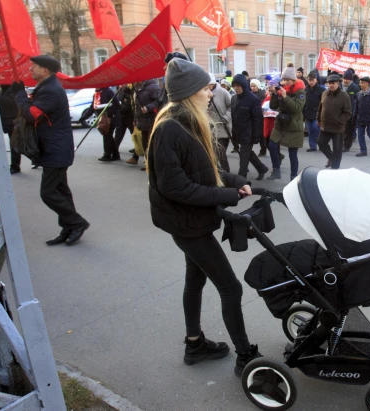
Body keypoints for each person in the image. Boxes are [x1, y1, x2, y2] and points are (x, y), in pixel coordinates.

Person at [147, 58, 261, 374]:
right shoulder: (170, 127)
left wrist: (237, 180)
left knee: (195, 278)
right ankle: (245, 357)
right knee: (231, 287)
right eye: (206, 88)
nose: (210, 93)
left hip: (190, 219)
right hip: (187, 223)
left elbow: (206, 169)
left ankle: (194, 343)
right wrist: (227, 195)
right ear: (189, 92)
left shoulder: (189, 121)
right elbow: (176, 187)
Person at [13, 55, 89, 245]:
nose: (31, 70)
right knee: (61, 191)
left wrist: (20, 96)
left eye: (34, 67)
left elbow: (32, 115)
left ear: (45, 70)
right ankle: (68, 228)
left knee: (47, 193)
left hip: (56, 150)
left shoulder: (50, 90)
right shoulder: (48, 87)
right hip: (55, 149)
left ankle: (77, 223)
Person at [267, 65, 306, 180]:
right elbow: (273, 107)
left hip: (294, 125)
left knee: (292, 153)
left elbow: (297, 108)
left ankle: (293, 176)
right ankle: (276, 170)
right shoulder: (281, 90)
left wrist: (285, 97)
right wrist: (273, 94)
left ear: (293, 80)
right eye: (283, 79)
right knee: (272, 145)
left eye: (287, 80)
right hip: (281, 123)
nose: (284, 82)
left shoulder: (300, 92)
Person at [231, 74, 269, 180]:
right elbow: (234, 118)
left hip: (249, 133)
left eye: (238, 86)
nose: (235, 88)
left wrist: (257, 135)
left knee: (243, 156)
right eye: (234, 85)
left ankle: (241, 179)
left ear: (243, 85)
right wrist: (233, 133)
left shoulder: (253, 99)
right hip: (238, 132)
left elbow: (258, 119)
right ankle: (262, 168)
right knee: (248, 153)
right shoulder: (234, 99)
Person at [316, 74, 352, 169]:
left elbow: (348, 113)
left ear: (338, 84)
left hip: (337, 128)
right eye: (329, 83)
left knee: (337, 150)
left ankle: (335, 169)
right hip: (325, 126)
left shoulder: (344, 96)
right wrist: (318, 119)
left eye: (333, 83)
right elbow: (320, 108)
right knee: (321, 143)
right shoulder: (324, 93)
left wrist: (340, 121)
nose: (331, 85)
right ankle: (331, 158)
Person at [127, 79, 161, 168]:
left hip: (151, 120)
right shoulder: (140, 88)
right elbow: (136, 106)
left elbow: (159, 101)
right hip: (142, 121)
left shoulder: (154, 87)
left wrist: (148, 108)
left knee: (150, 144)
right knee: (145, 144)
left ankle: (152, 164)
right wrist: (135, 119)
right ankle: (148, 163)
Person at [82, 87, 120, 161]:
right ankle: (115, 154)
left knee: (107, 135)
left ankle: (107, 154)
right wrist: (84, 117)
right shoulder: (96, 94)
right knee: (107, 135)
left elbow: (117, 104)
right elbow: (93, 107)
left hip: (111, 117)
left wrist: (108, 112)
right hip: (103, 118)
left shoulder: (108, 92)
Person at [208, 78, 233, 172]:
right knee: (215, 154)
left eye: (209, 85)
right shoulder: (205, 92)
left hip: (223, 127)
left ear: (213, 83)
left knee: (220, 154)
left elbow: (231, 107)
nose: (208, 87)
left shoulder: (223, 93)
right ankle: (220, 173)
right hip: (211, 127)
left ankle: (226, 173)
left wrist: (225, 118)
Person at [0, 85, 20, 174]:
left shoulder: (13, 90)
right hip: (4, 120)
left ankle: (15, 166)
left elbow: (10, 103)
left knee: (14, 145)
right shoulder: (2, 91)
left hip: (12, 121)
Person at [304, 71, 325, 152]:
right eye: (309, 80)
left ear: (316, 80)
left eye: (312, 80)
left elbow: (323, 102)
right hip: (308, 113)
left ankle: (321, 144)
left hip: (317, 113)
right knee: (310, 130)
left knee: (315, 128)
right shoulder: (306, 89)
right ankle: (312, 146)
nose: (311, 82)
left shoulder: (321, 89)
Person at [113, 84, 135, 155]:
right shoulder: (119, 91)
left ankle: (137, 148)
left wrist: (121, 109)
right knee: (118, 133)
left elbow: (128, 103)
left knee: (133, 132)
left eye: (123, 84)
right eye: (120, 84)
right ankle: (114, 148)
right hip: (121, 116)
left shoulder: (129, 91)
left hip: (129, 116)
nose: (121, 85)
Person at [341, 70, 359, 152]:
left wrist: (355, 112)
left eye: (347, 79)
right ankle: (340, 145)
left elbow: (358, 100)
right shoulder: (339, 86)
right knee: (341, 130)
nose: (345, 81)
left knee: (349, 131)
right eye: (344, 79)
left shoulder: (355, 88)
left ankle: (347, 146)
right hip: (340, 112)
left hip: (351, 112)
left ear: (351, 80)